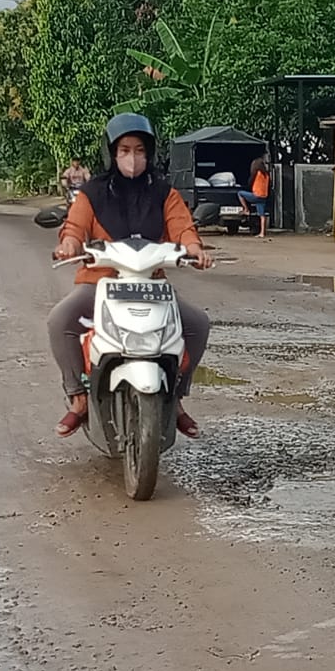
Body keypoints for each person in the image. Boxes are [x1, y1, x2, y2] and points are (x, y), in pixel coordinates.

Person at [49, 113, 215, 440]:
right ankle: (78, 398)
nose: (133, 158)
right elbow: (74, 227)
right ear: (111, 152)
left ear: (149, 152)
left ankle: (177, 398)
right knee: (60, 321)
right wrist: (68, 244)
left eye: (139, 150)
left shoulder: (164, 192)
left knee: (197, 324)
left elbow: (183, 227)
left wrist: (195, 249)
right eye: (124, 149)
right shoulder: (91, 193)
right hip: (100, 283)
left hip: (151, 284)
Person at [236, 157, 272, 238]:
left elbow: (250, 183)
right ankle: (262, 233)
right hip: (263, 196)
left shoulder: (257, 173)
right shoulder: (266, 175)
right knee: (262, 215)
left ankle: (246, 210)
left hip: (256, 195)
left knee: (240, 193)